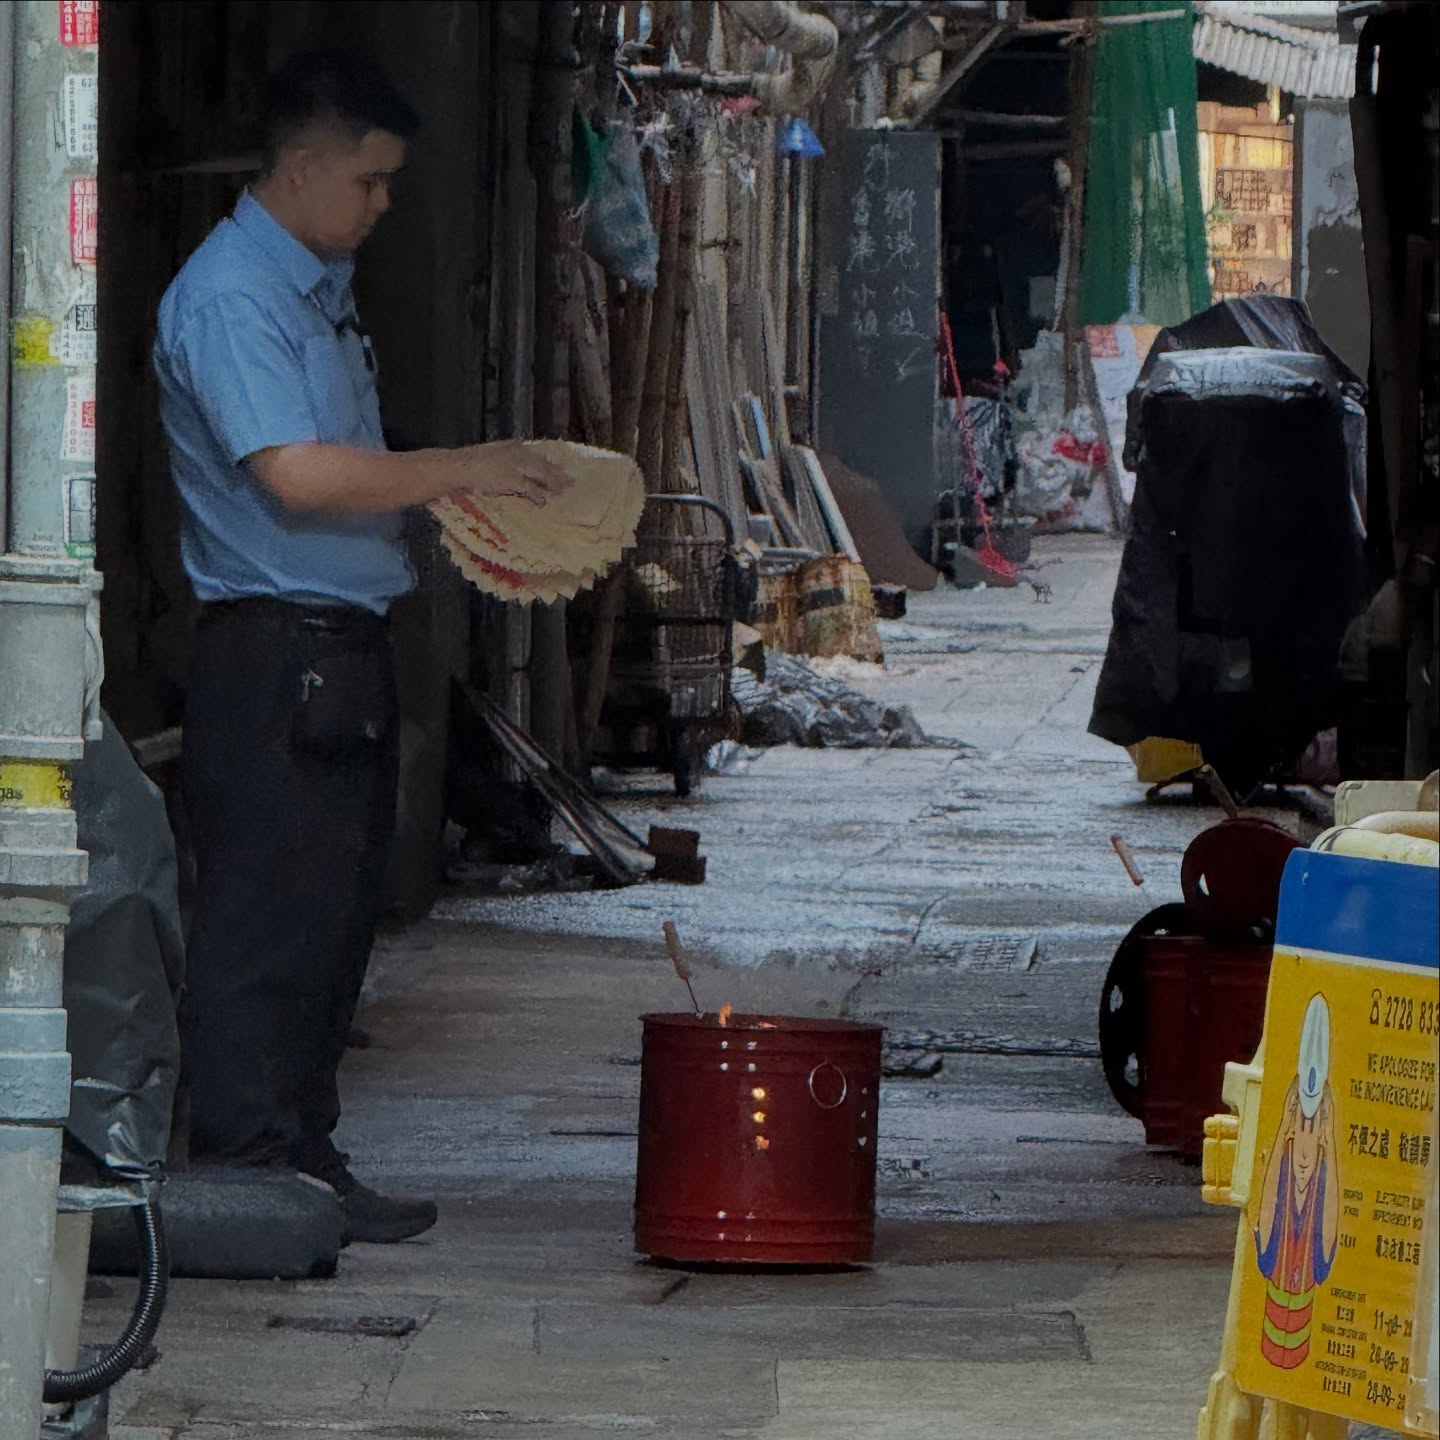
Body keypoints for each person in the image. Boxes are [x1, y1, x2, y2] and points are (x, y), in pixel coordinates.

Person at [153, 50, 571, 1243]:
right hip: (273, 652)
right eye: (371, 181)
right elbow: (295, 472)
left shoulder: (313, 291)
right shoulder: (233, 297)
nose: (384, 204)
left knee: (335, 922)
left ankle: (305, 1158)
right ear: (302, 169)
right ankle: (244, 1173)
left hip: (338, 644)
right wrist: (462, 469)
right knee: (266, 926)